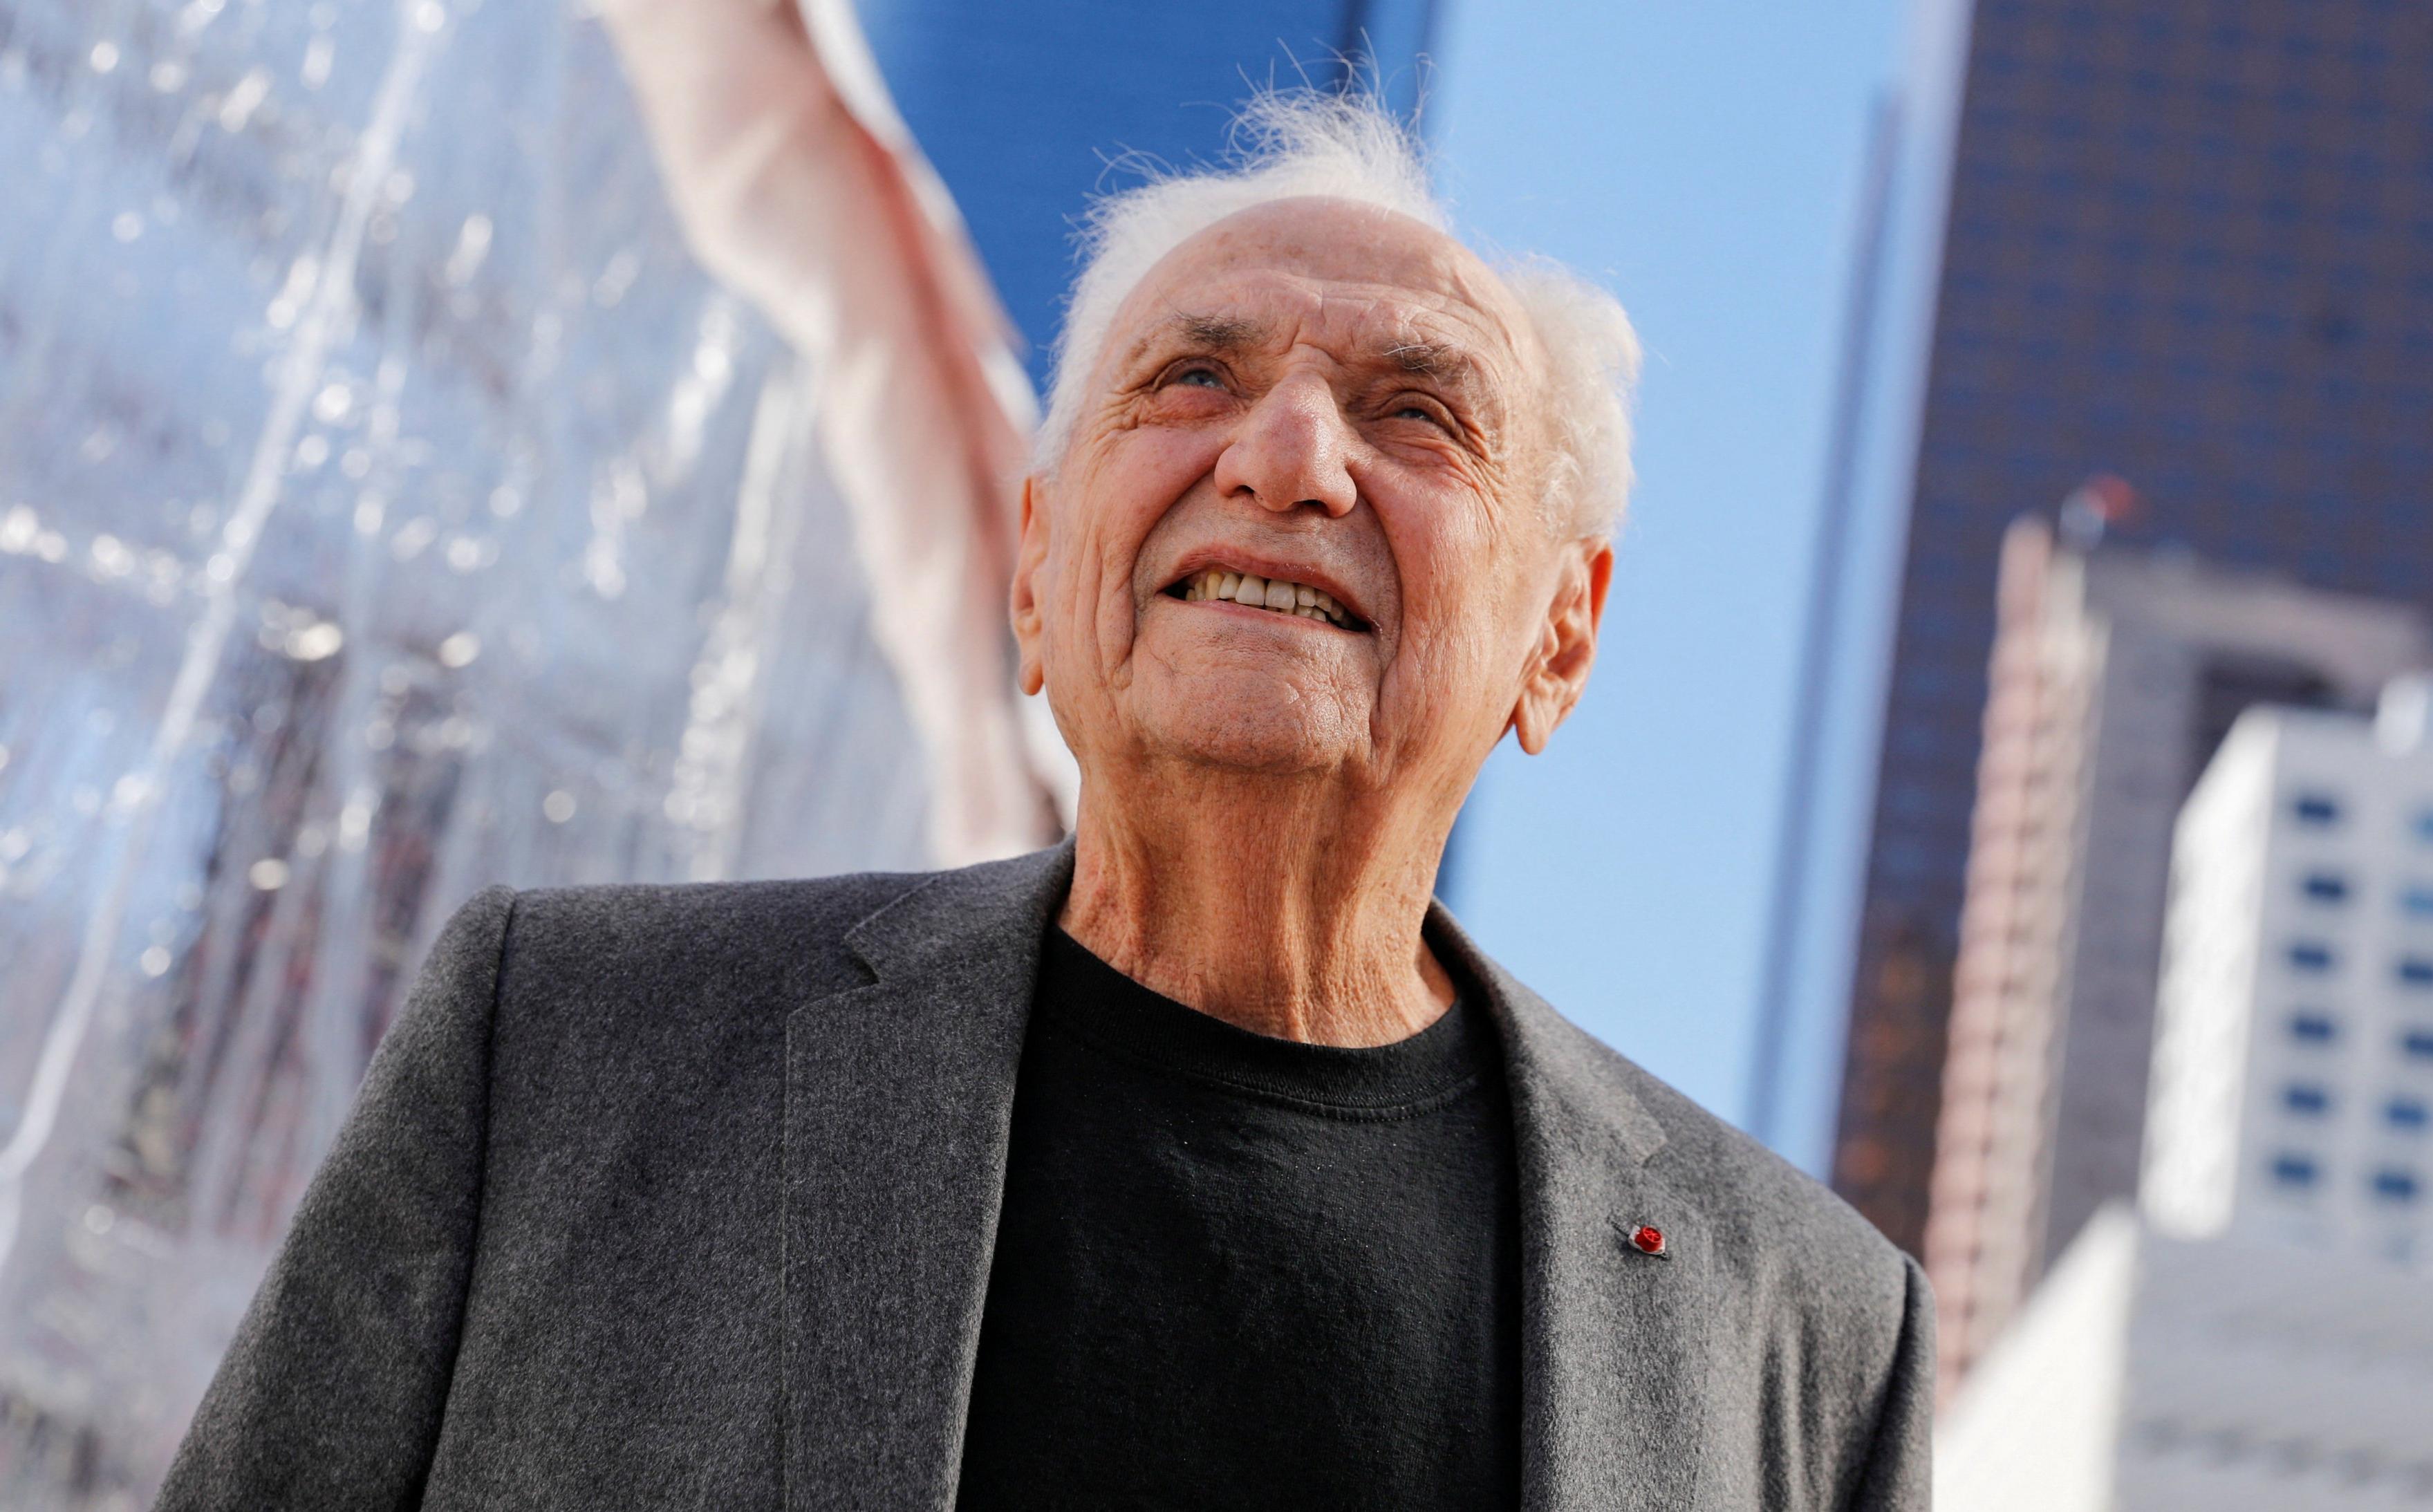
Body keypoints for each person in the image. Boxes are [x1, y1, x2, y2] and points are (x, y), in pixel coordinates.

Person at [157, 91, 1930, 1511]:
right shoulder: (561, 1044)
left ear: (1563, 637)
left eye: (1414, 413)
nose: (1285, 458)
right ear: (1033, 569)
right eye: (1193, 378)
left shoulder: (1810, 1343)